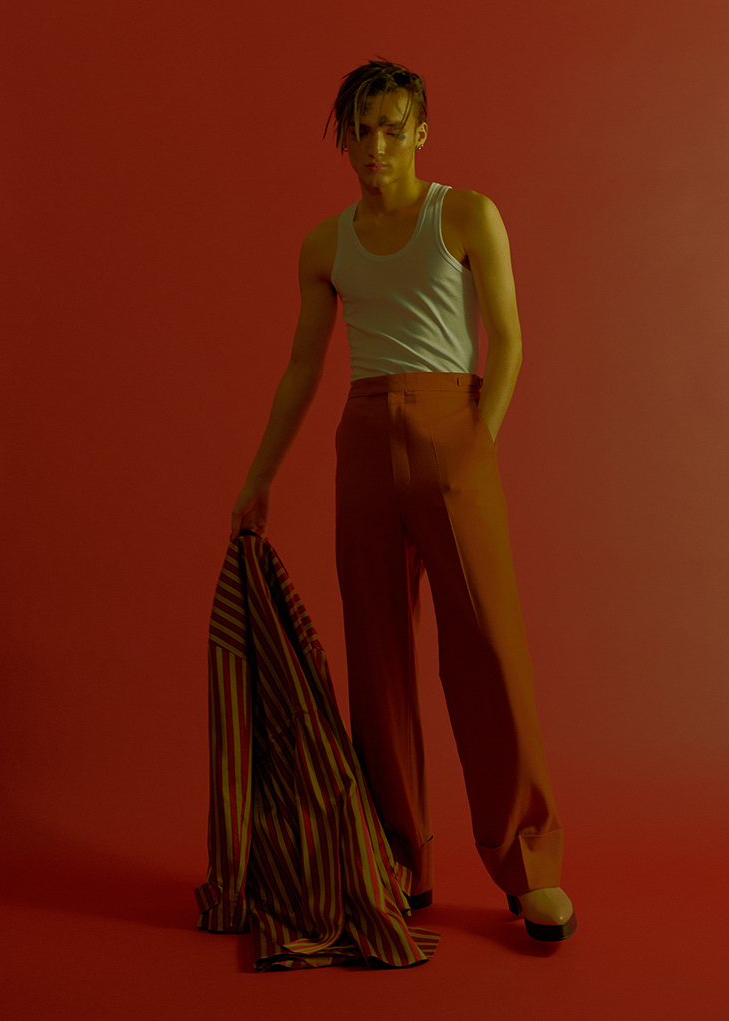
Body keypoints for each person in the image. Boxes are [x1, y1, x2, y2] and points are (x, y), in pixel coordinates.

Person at [230, 59, 576, 942]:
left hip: (452, 427)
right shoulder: (325, 244)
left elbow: (510, 339)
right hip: (363, 439)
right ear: (343, 139)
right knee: (376, 658)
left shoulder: (464, 214)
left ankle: (529, 866)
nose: (375, 144)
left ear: (421, 132)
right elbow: (302, 366)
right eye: (360, 129)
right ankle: (398, 860)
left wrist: (476, 442)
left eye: (392, 127)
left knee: (487, 651)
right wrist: (260, 475)